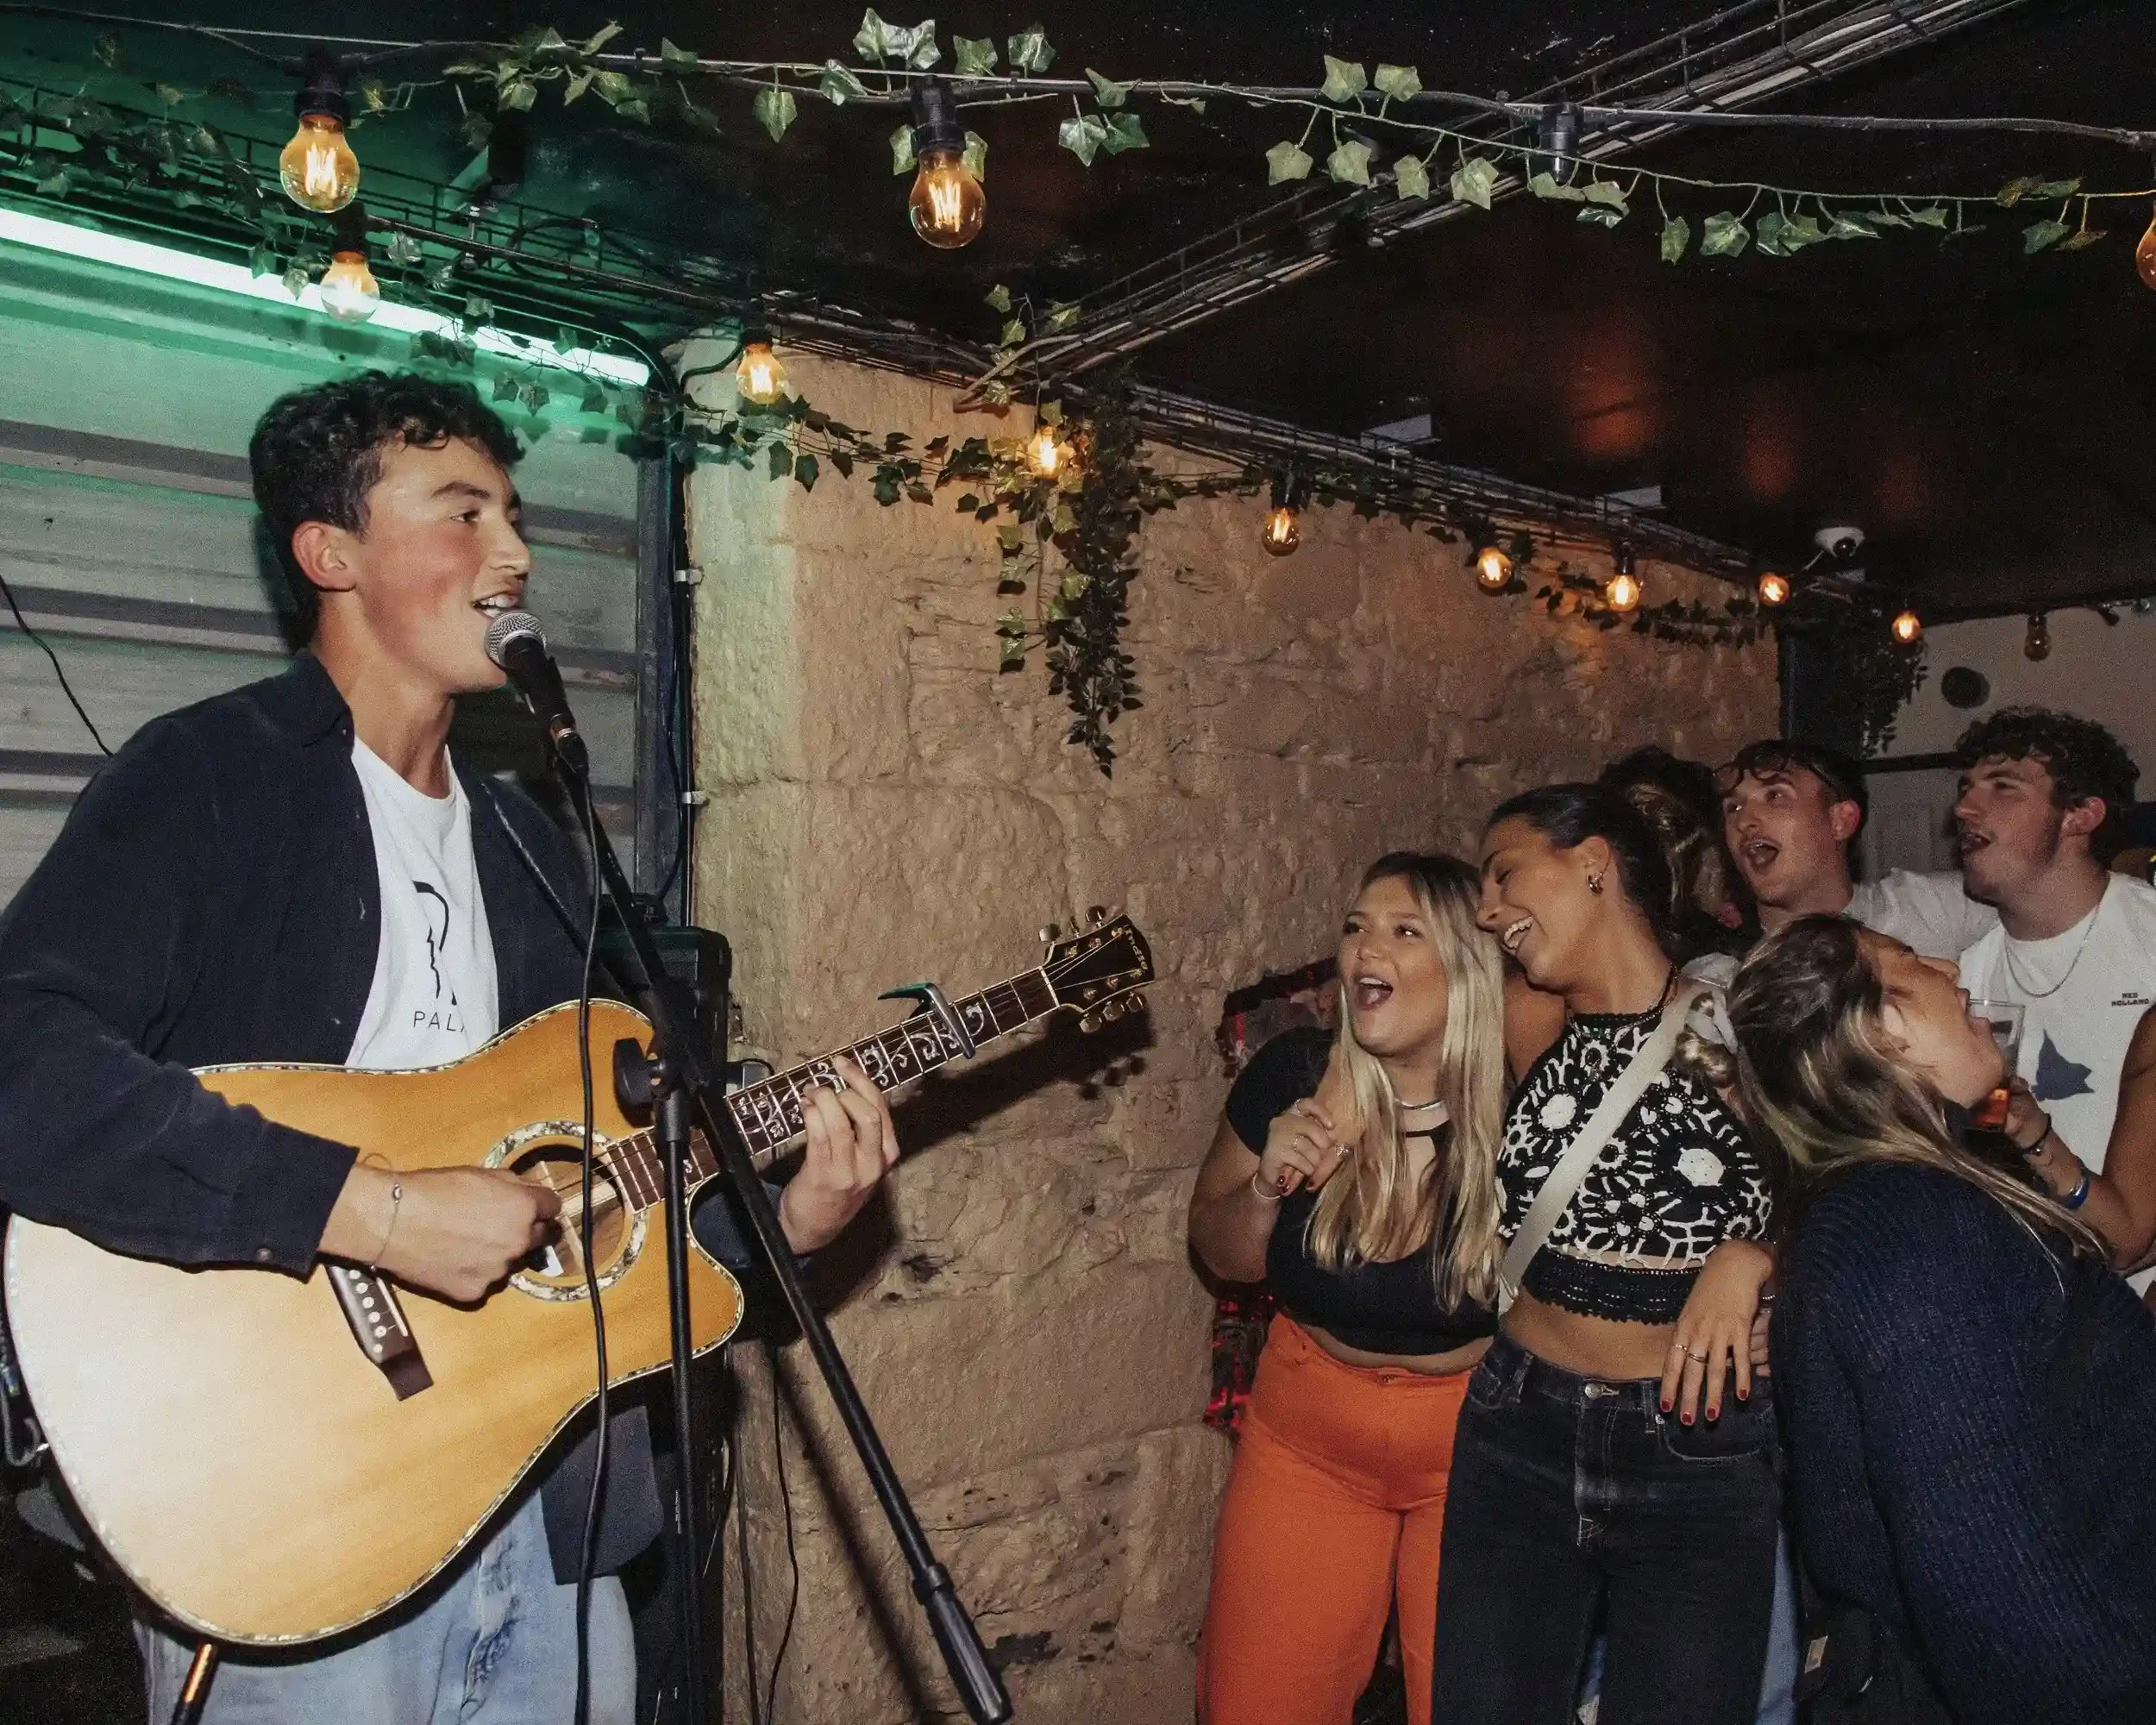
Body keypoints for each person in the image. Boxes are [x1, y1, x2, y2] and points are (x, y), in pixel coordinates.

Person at [0, 373, 899, 1722]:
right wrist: (376, 1211)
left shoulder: (533, 850)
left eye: (516, 513)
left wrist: (790, 1223)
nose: (517, 552)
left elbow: (601, 1221)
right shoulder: (212, 779)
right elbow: (23, 1059)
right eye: (463, 511)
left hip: (544, 1516)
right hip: (289, 1503)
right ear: (332, 554)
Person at [1727, 916, 2156, 1724]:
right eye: (1910, 961)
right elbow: (2000, 1598)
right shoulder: (1912, 1233)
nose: (1950, 967)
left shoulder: (1911, 1200)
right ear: (1882, 1030)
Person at [1431, 785, 1779, 1725]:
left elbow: (1855, 1188)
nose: (1488, 907)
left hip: (1695, 1438)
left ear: (1592, 862)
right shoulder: (1525, 1021)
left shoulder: (1740, 1026)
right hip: (1518, 1425)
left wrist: (1751, 1255)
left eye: (1504, 873)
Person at [1188, 854, 1508, 1725]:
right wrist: (1263, 1190)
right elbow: (1221, 1255)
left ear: (1469, 968)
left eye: (1405, 930)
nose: (1366, 945)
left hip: (1477, 1446)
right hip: (1308, 1434)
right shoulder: (1296, 1076)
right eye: (1356, 925)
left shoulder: (1526, 1105)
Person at [1950, 708, 2156, 1289]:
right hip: (2050, 1312)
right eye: (1966, 789)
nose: (1964, 808)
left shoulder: (2148, 935)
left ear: (2080, 816)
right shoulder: (1970, 977)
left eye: (2003, 788)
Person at [1718, 738, 1995, 958]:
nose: (1744, 821)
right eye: (1733, 807)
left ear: (1841, 821)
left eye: (1775, 796)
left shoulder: (1932, 910)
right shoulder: (1720, 980)